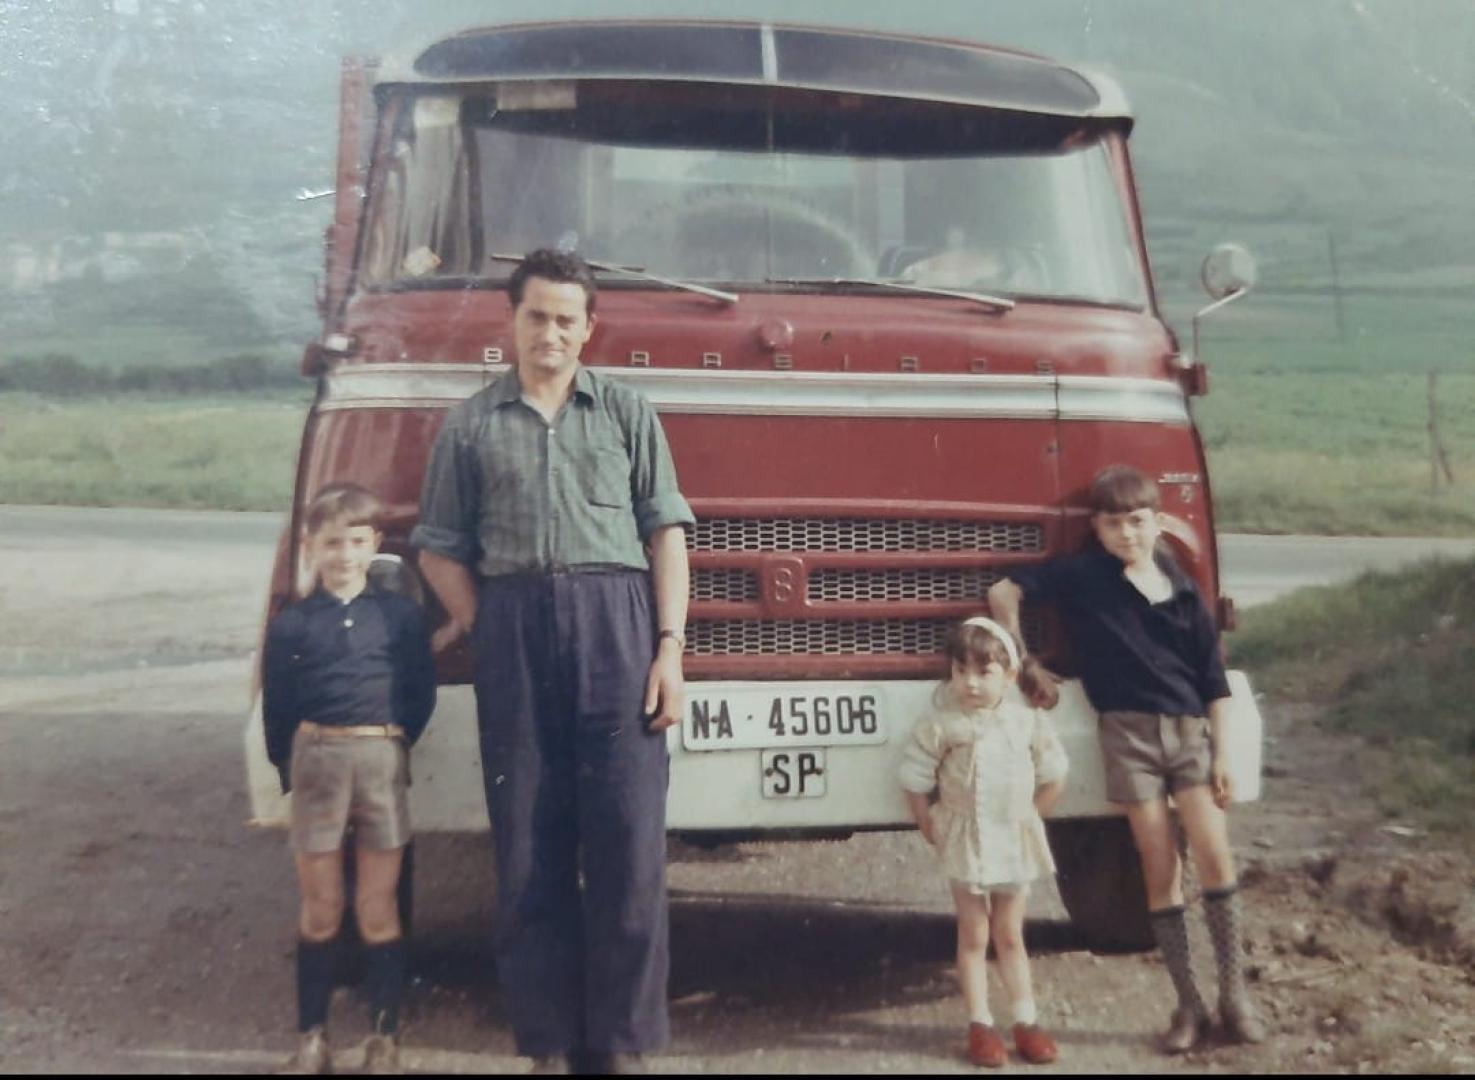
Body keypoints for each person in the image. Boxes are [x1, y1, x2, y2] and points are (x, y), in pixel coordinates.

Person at [410, 248, 693, 1075]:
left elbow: (664, 535)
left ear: (588, 328)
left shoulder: (626, 414)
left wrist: (669, 650)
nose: (551, 333)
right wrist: (481, 619)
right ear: (512, 321)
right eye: (536, 316)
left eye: (567, 319)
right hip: (516, 628)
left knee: (629, 847)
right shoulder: (470, 424)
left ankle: (621, 1044)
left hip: (619, 629)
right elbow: (436, 546)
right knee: (529, 847)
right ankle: (547, 1042)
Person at [987, 464, 1267, 1054]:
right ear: (1097, 527)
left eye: (1138, 523)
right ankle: (1188, 1006)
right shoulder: (1085, 578)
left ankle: (1233, 998)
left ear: (1157, 524)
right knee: (1158, 868)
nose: (1127, 535)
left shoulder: (1183, 591)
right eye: (1114, 524)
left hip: (1188, 735)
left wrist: (1219, 754)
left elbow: (1213, 681)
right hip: (1127, 738)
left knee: (1214, 858)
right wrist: (1024, 659)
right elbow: (1003, 591)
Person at [262, 483, 437, 1075]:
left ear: (375, 545)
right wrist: (293, 770)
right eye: (332, 543)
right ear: (311, 547)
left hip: (380, 760)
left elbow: (419, 695)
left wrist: (390, 743)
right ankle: (312, 1038)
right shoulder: (293, 624)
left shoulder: (399, 618)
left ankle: (383, 1038)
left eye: (356, 542)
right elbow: (278, 708)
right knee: (320, 906)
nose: (344, 555)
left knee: (377, 905)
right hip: (317, 762)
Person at [898, 616, 1067, 1068]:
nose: (970, 684)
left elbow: (1055, 771)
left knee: (1010, 934)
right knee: (974, 933)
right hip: (965, 836)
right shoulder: (943, 722)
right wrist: (925, 819)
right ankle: (980, 1024)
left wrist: (1032, 815)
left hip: (1012, 836)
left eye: (984, 673)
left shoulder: (1024, 720)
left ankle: (1026, 1021)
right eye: (960, 672)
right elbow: (914, 775)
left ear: (1009, 675)